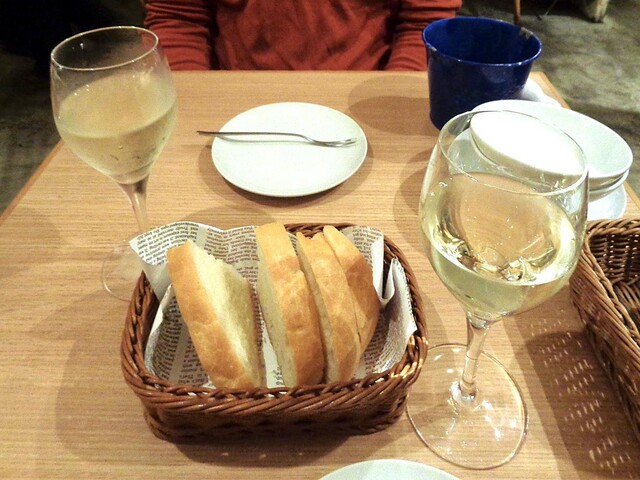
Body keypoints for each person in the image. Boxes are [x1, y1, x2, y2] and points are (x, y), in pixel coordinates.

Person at [144, 0, 461, 71]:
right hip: (227, 108)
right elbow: (179, 18)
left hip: (365, 108)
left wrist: (386, 122)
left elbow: (424, 23)